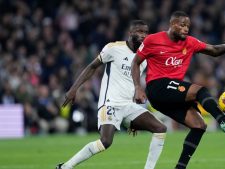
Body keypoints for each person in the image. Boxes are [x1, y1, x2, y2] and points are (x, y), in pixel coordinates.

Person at [131, 11, 225, 169]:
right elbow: (135, 62)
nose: (186, 29)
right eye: (182, 25)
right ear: (172, 24)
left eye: (188, 26)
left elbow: (214, 51)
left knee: (199, 125)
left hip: (170, 95)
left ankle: (180, 167)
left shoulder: (190, 42)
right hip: (157, 86)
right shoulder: (153, 39)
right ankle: (224, 121)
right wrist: (138, 87)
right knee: (199, 90)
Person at [56, 20, 167, 169]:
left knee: (160, 128)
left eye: (146, 32)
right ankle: (65, 167)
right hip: (110, 103)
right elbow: (92, 66)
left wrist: (134, 116)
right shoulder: (113, 48)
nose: (143, 35)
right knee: (105, 142)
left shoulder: (144, 58)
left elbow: (131, 84)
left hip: (129, 106)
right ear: (130, 33)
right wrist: (74, 89)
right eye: (139, 31)